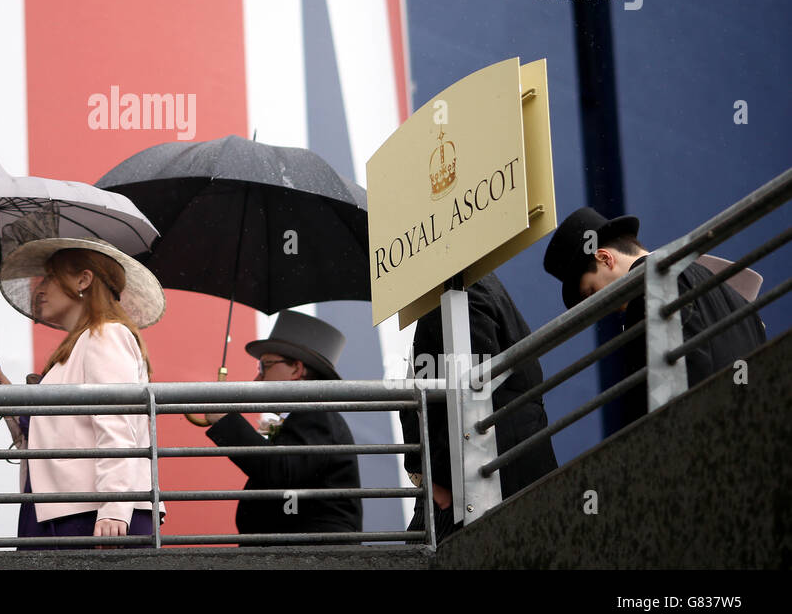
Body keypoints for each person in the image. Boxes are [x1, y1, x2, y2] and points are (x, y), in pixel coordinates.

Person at [0, 237, 165, 548]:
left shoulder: (106, 335)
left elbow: (117, 427)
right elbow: (61, 435)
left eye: (52, 276)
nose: (40, 288)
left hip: (91, 515)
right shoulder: (84, 343)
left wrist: (113, 510)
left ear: (84, 279)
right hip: (71, 510)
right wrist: (10, 404)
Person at [543, 207, 767, 421]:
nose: (602, 307)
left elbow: (678, 385)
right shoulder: (727, 288)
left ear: (604, 258)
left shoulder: (649, 289)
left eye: (591, 292)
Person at [399, 273, 558, 543]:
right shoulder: (478, 289)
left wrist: (434, 480)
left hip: (468, 496)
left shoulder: (459, 296)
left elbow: (467, 400)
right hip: (503, 483)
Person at [200, 310, 363, 542]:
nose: (257, 379)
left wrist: (227, 420)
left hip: (317, 556)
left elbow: (279, 471)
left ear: (296, 369)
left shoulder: (316, 414)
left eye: (264, 367)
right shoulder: (309, 416)